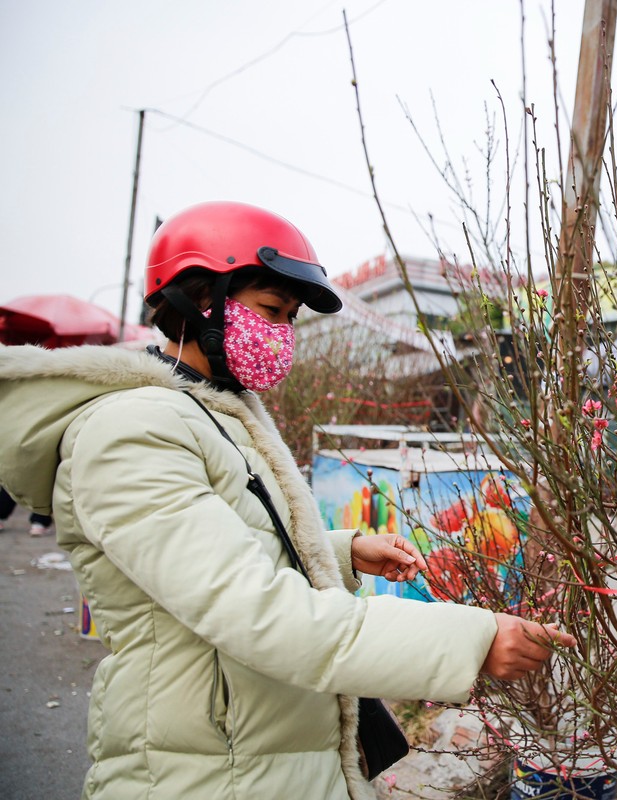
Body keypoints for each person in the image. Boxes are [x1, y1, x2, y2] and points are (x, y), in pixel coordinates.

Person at [0, 201, 575, 800]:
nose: (282, 335)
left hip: (258, 754)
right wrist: (472, 641)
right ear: (197, 301)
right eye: (271, 310)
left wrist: (340, 551)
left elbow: (224, 542)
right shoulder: (131, 432)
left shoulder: (216, 411)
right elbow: (259, 610)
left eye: (291, 319)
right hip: (203, 773)